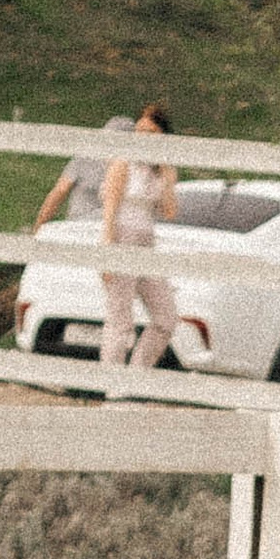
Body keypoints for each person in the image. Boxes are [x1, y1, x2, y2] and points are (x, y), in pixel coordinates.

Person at [93, 102, 178, 372]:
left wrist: (166, 172)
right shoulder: (123, 163)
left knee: (166, 318)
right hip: (121, 236)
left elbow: (169, 211)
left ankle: (136, 374)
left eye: (150, 132)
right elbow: (110, 209)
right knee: (120, 320)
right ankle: (113, 383)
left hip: (146, 242)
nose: (142, 136)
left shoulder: (161, 170)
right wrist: (107, 251)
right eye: (139, 131)